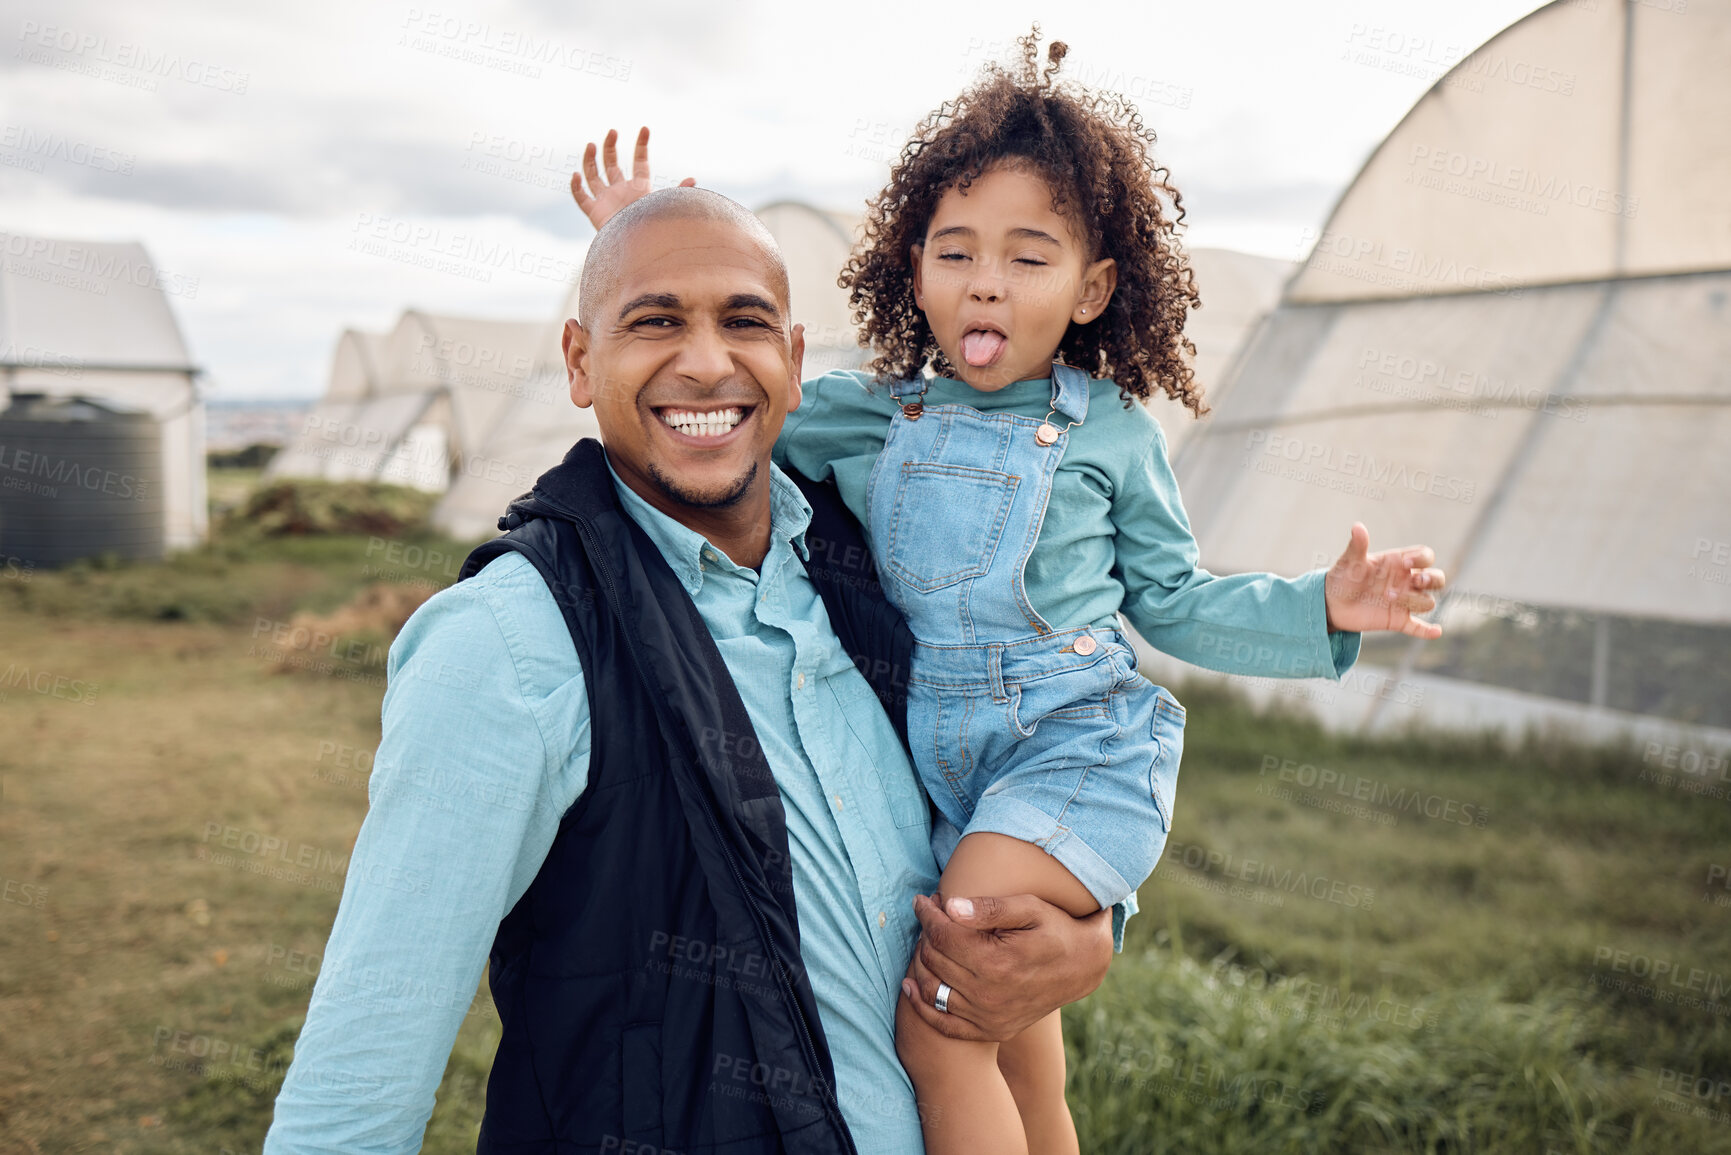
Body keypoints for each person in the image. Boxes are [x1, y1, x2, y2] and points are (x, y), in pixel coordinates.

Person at [571, 29, 1448, 1155]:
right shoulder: (870, 413)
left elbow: (1173, 603)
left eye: (1029, 259)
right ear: (913, 268)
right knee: (1026, 1066)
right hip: (940, 772)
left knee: (943, 1024)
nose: (987, 280)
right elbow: (716, 399)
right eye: (956, 252)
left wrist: (1322, 609)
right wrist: (640, 249)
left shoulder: (1111, 433)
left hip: (1074, 745)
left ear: (1092, 290)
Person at [263, 185, 1118, 1154]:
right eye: (654, 321)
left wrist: (1090, 933)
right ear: (582, 363)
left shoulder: (878, 569)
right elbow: (361, 1077)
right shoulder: (508, 643)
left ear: (794, 364)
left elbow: (1050, 734)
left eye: (744, 321)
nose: (707, 362)